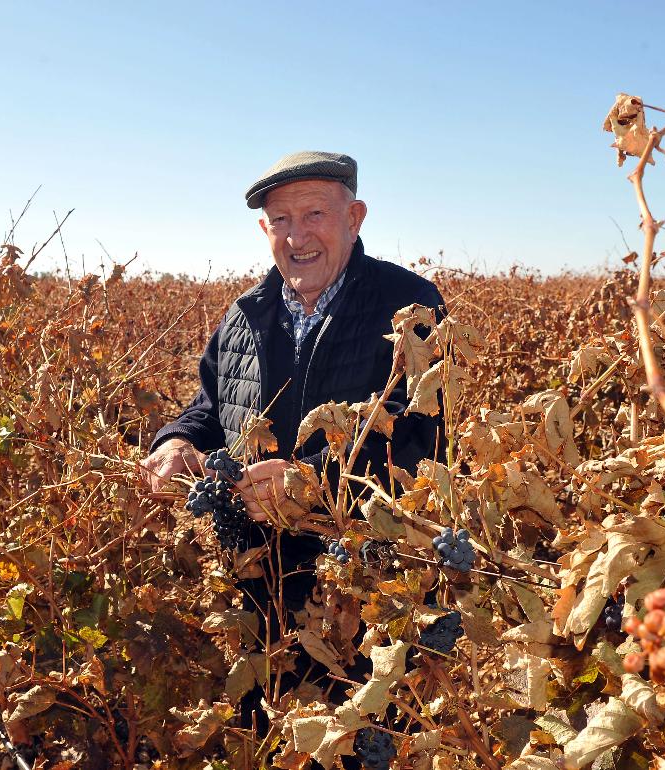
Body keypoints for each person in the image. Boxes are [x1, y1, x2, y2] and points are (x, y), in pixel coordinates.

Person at [140, 150, 445, 726]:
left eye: (314, 215)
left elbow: (418, 434)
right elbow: (210, 407)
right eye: (281, 220)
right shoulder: (244, 314)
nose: (296, 235)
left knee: (365, 735)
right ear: (265, 230)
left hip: (362, 584)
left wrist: (312, 481)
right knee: (269, 723)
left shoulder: (409, 307)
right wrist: (175, 442)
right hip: (257, 582)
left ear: (354, 218)